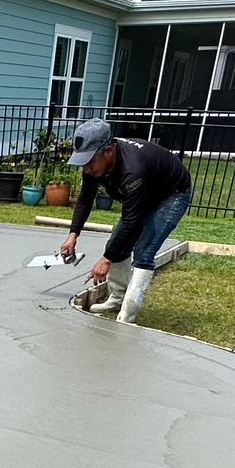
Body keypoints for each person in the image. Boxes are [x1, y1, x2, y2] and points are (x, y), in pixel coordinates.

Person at [56, 119, 193, 326]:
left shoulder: (133, 169)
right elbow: (85, 199)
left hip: (171, 195)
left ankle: (127, 316)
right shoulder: (96, 165)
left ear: (108, 152)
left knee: (144, 251)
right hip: (146, 192)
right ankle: (117, 299)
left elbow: (132, 221)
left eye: (90, 162)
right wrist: (73, 235)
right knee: (116, 244)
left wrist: (106, 260)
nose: (86, 169)